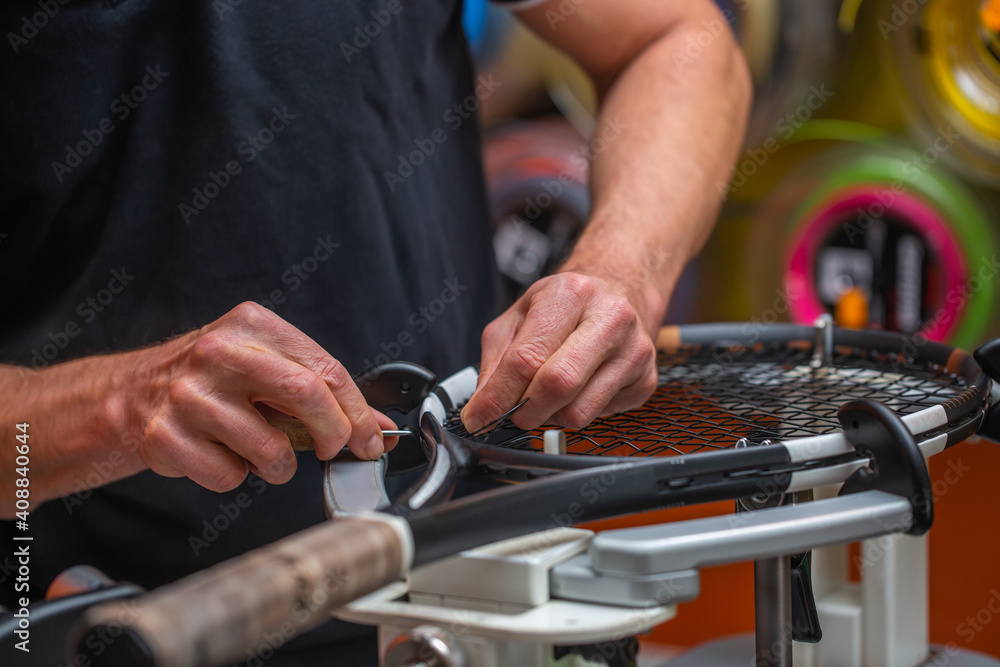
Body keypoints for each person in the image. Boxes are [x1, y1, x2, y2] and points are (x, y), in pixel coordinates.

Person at [0, 0, 750, 663]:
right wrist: (112, 409)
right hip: (101, 620)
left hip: (462, 606)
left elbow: (674, 39)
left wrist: (622, 269)